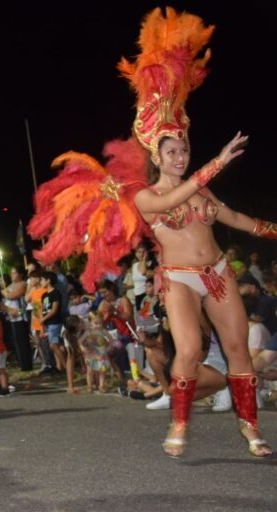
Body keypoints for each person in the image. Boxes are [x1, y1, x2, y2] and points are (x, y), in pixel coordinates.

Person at [125, 9, 273, 457]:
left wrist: (270, 230)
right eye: (172, 149)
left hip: (218, 271)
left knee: (238, 353)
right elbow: (175, 199)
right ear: (157, 153)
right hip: (179, 278)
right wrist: (220, 160)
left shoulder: (202, 193)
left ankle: (250, 429)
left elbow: (238, 221)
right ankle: (180, 423)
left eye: (185, 147)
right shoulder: (146, 197)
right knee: (186, 351)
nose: (181, 154)